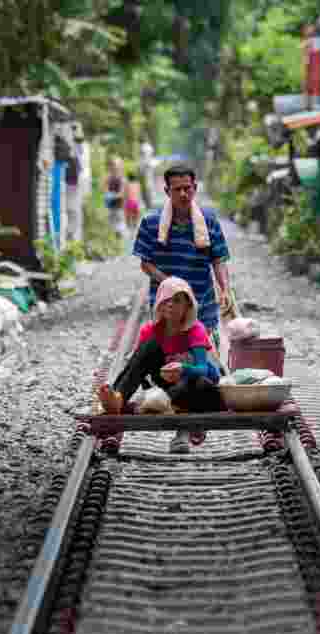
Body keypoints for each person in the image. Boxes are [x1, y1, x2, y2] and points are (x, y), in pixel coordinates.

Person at [97, 276, 225, 453]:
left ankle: (175, 410)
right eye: (166, 300)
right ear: (159, 304)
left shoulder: (195, 330)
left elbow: (203, 369)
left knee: (198, 383)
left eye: (177, 301)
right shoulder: (150, 330)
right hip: (168, 388)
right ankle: (118, 397)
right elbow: (138, 367)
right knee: (149, 345)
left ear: (187, 307)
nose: (171, 304)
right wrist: (149, 388)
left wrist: (184, 369)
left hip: (197, 386)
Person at [133, 164, 233, 357]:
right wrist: (172, 285)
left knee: (204, 357)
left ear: (195, 188)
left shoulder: (209, 221)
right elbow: (145, 263)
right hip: (166, 305)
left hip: (203, 302)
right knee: (169, 359)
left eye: (187, 188)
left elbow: (218, 259)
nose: (183, 194)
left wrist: (225, 289)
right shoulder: (150, 223)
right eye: (177, 189)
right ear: (167, 191)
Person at [105, 156, 126, 238]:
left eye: (116, 166)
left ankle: (119, 238)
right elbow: (106, 189)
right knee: (111, 224)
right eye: (113, 166)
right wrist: (108, 195)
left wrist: (112, 195)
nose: (114, 168)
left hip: (118, 206)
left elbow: (122, 193)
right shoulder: (109, 178)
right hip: (110, 206)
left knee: (119, 225)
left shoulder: (122, 179)